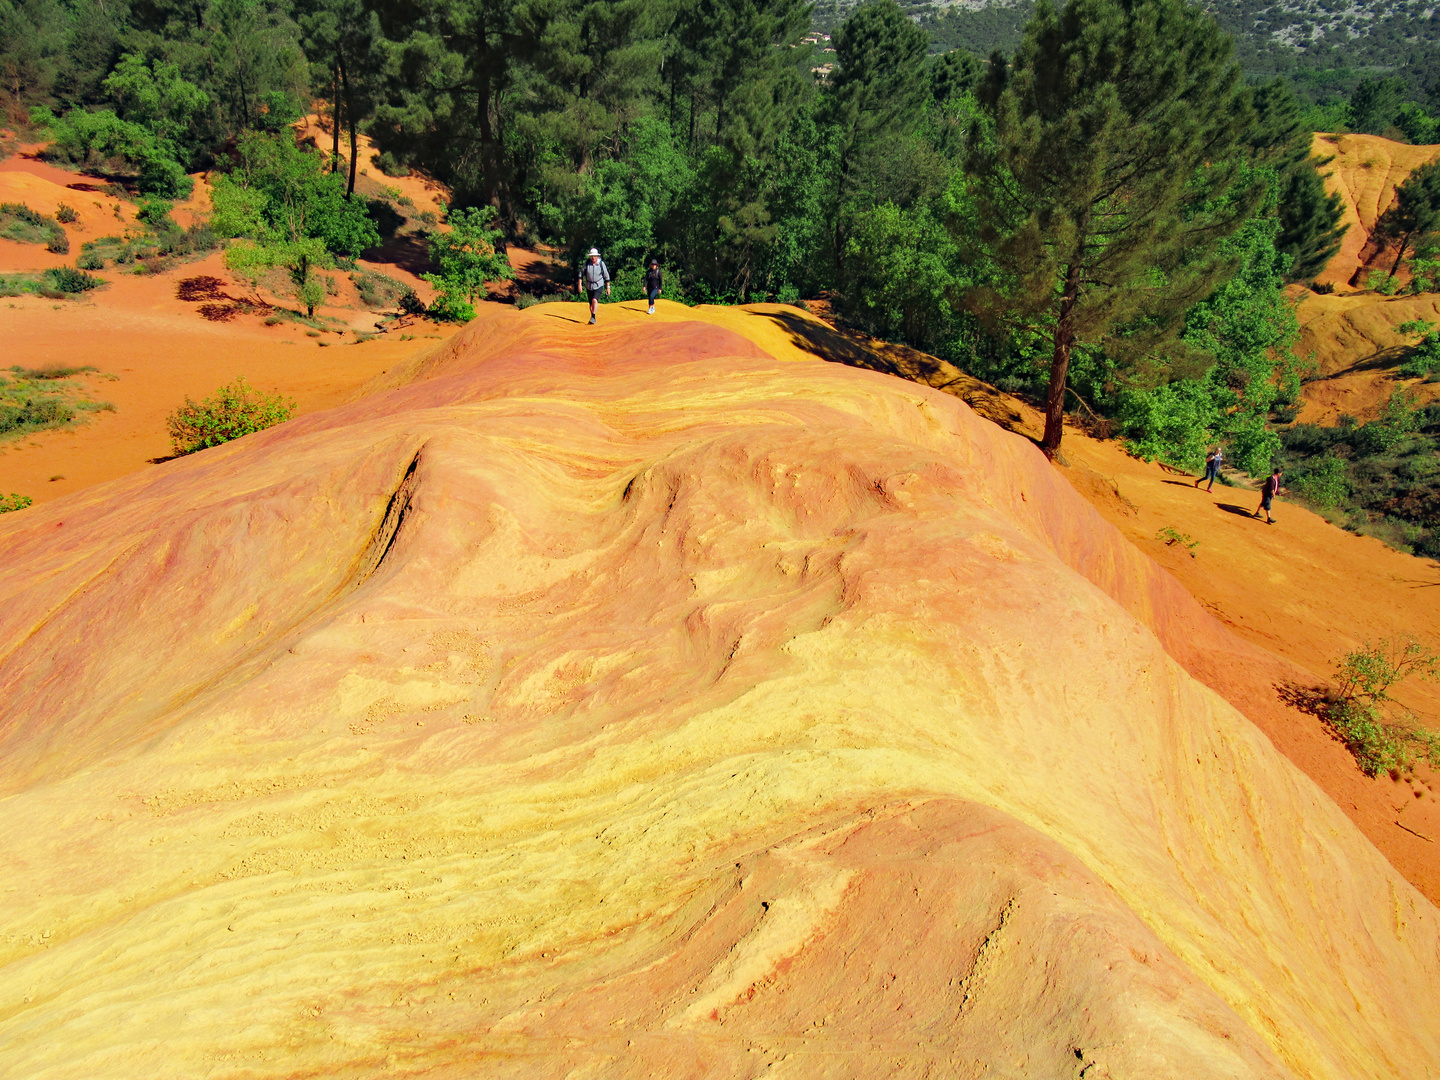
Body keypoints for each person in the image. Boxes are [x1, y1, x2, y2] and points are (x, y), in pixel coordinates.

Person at [577, 248, 610, 324]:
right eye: (592, 256)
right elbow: (581, 274)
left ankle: (593, 317)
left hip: (599, 285)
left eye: (595, 256)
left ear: (597, 256)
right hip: (589, 286)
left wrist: (608, 287)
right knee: (591, 304)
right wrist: (580, 284)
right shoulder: (587, 263)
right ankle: (592, 316)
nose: (593, 258)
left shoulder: (601, 264)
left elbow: (606, 276)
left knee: (594, 300)